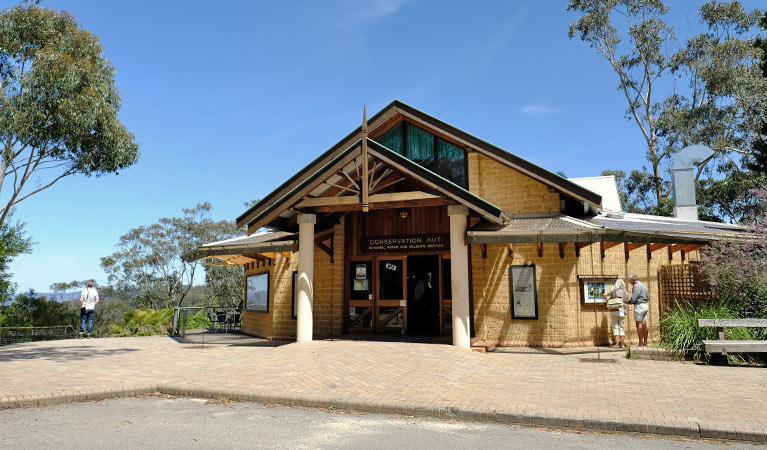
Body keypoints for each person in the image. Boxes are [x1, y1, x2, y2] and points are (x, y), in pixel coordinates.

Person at [602, 279, 628, 348]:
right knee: (621, 327)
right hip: (622, 312)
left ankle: (617, 344)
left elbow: (604, 294)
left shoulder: (614, 290)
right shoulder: (625, 292)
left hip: (614, 311)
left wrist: (608, 301)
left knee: (615, 327)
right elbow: (625, 301)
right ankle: (622, 344)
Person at [627, 274, 650, 346]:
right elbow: (648, 297)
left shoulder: (636, 286)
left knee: (638, 325)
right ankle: (645, 341)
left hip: (639, 306)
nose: (630, 282)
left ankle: (640, 342)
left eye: (630, 280)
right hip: (645, 305)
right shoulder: (644, 285)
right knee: (644, 324)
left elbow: (634, 298)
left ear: (633, 280)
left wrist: (628, 302)